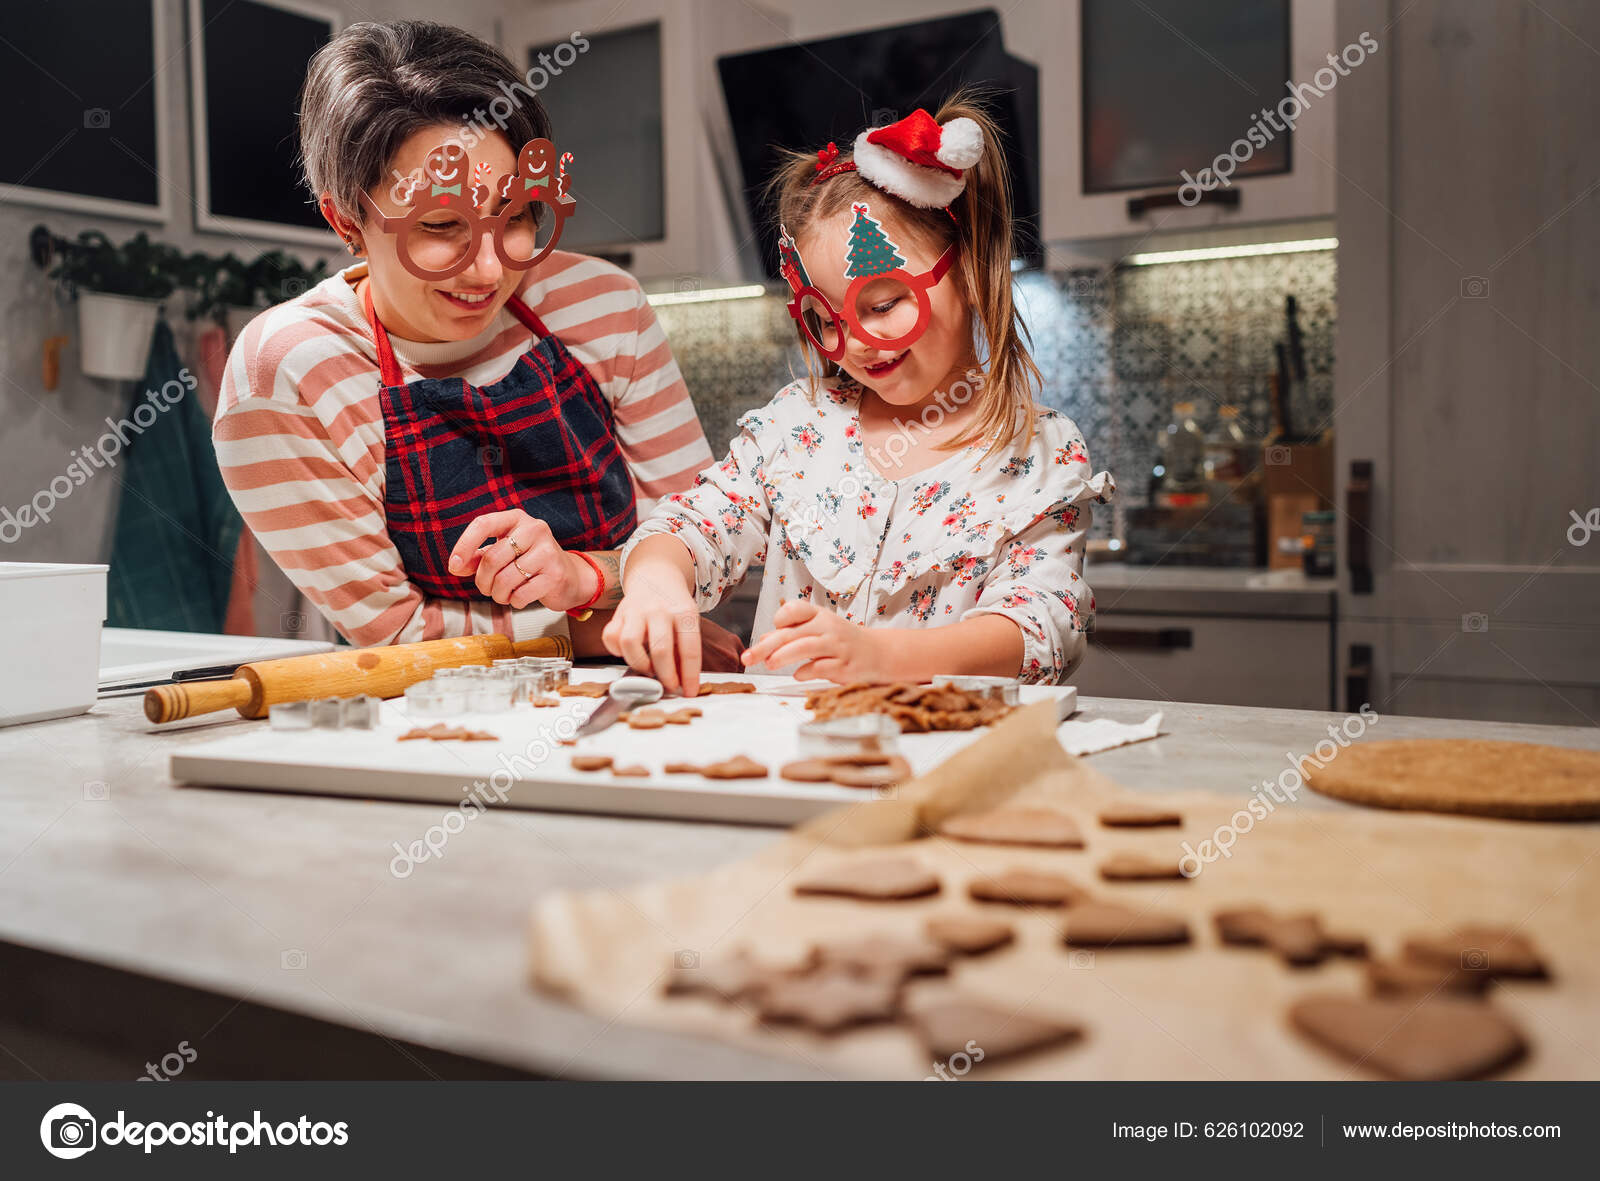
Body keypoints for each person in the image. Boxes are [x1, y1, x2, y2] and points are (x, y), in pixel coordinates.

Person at [214, 21, 738, 664]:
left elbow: (705, 540)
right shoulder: (284, 378)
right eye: (440, 226)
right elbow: (399, 637)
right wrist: (604, 630)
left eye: (515, 215)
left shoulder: (601, 304)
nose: (490, 269)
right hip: (438, 721)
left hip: (637, 697)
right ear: (346, 220)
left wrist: (584, 575)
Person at [606, 98, 1114, 694]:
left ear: (972, 270)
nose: (856, 343)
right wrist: (656, 579)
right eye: (826, 320)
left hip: (945, 759)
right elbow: (692, 526)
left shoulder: (1041, 452)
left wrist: (885, 656)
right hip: (790, 762)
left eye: (882, 305)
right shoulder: (799, 424)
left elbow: (1041, 626)